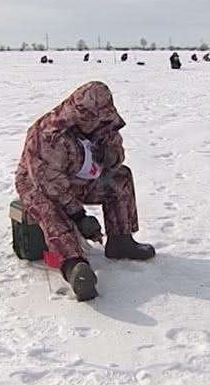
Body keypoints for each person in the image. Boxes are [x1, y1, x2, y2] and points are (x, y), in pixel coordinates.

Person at [15, 81, 155, 301]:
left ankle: (121, 240)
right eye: (92, 118)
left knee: (121, 178)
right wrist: (80, 217)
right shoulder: (48, 134)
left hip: (79, 178)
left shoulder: (103, 124)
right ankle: (74, 267)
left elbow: (116, 156)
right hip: (38, 183)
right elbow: (50, 184)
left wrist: (112, 154)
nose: (97, 123)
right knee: (50, 209)